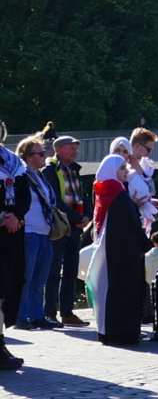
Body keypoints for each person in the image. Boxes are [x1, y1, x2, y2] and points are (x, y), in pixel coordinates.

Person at [86, 155, 152, 346]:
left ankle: (108, 332)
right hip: (123, 252)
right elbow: (132, 224)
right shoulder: (119, 194)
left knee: (106, 290)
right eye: (122, 168)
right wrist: (144, 245)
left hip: (107, 249)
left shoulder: (102, 190)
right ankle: (125, 333)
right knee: (124, 291)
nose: (126, 171)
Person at [42, 135, 92, 327]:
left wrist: (88, 214)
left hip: (75, 227)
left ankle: (67, 312)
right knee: (53, 271)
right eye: (71, 148)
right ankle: (49, 313)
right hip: (59, 226)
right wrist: (77, 218)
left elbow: (83, 195)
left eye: (75, 148)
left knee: (71, 270)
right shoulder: (49, 170)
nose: (75, 152)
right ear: (59, 149)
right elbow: (54, 199)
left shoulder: (74, 169)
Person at [15, 138, 60, 330]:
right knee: (25, 278)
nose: (46, 156)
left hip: (44, 233)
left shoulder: (39, 176)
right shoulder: (21, 175)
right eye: (41, 153)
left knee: (39, 279)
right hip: (28, 233)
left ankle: (36, 315)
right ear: (28, 157)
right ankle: (20, 316)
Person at [1, 124, 29, 370]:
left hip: (10, 233)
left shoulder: (13, 161)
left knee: (6, 287)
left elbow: (24, 195)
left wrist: (15, 216)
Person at [127, 128, 158, 230]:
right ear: (137, 146)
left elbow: (149, 193)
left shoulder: (142, 165)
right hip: (127, 221)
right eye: (148, 149)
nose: (149, 153)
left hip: (140, 220)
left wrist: (155, 202)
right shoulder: (122, 167)